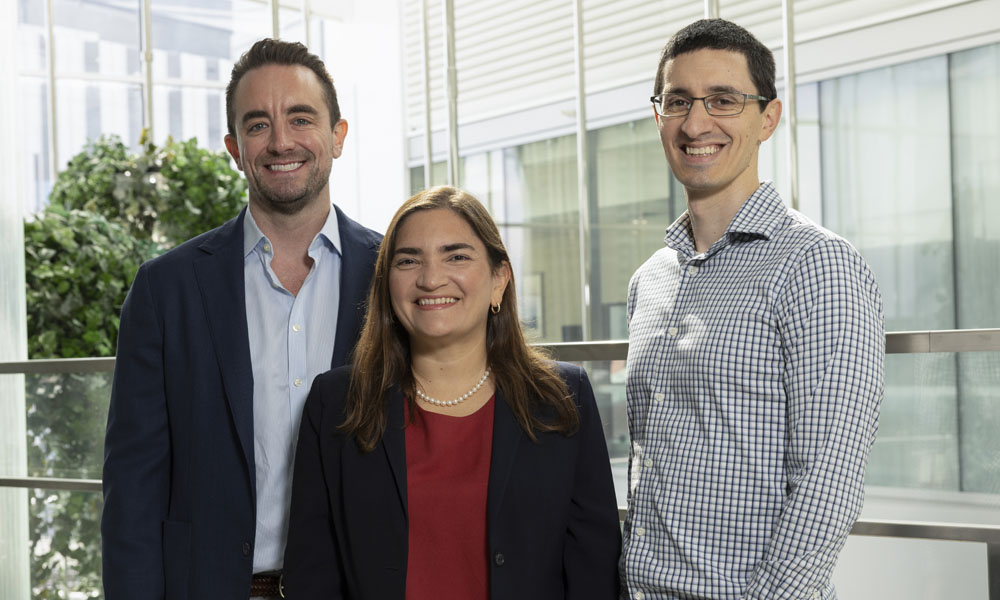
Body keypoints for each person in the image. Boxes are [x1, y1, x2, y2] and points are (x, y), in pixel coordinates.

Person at [101, 39, 381, 600]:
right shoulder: (166, 290)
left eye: (301, 118)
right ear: (234, 148)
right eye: (257, 125)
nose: (280, 142)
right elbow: (133, 489)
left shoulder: (392, 277)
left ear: (338, 135)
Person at [620, 19, 884, 600]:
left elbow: (828, 480)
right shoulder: (650, 281)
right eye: (678, 101)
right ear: (659, 116)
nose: (696, 124)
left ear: (768, 118)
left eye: (723, 100)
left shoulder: (817, 265)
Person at [283, 186, 621, 599]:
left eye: (456, 256)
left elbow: (593, 569)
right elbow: (312, 575)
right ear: (387, 285)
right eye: (408, 260)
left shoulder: (562, 397)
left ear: (499, 280)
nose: (430, 279)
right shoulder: (336, 402)